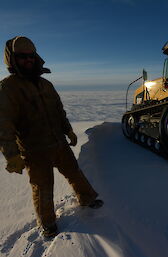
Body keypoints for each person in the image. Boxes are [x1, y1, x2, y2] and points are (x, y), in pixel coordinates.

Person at [0, 36, 103, 238]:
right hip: (34, 150)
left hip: (58, 143)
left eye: (31, 56)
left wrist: (69, 130)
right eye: (22, 56)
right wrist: (11, 155)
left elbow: (59, 111)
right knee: (43, 187)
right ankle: (47, 222)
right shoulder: (7, 88)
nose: (28, 60)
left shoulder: (46, 85)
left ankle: (87, 198)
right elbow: (3, 125)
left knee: (75, 173)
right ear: (12, 59)